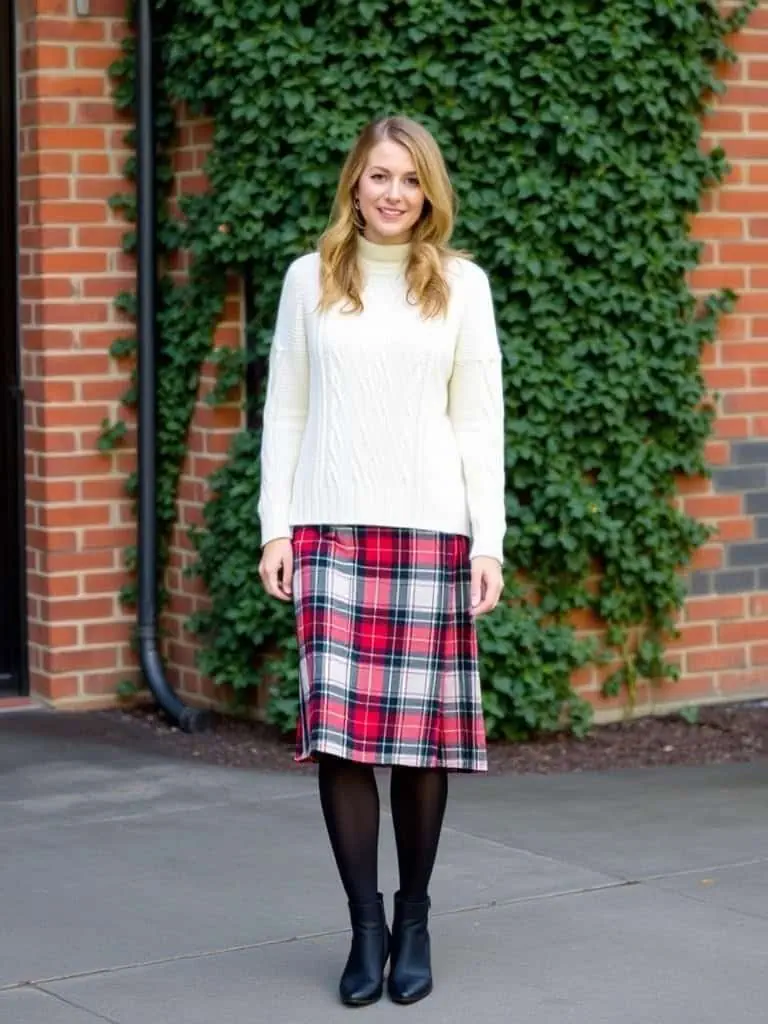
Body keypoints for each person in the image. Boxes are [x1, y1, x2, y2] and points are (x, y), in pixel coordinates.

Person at [257, 115, 505, 1007]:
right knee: (341, 740)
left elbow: (478, 420)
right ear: (354, 185)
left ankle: (415, 921)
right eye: (379, 176)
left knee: (421, 744)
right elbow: (285, 409)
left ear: (429, 192)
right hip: (330, 533)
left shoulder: (463, 285)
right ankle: (366, 927)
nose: (394, 193)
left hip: (431, 533)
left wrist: (488, 541)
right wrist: (275, 528)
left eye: (410, 178)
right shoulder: (309, 279)